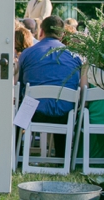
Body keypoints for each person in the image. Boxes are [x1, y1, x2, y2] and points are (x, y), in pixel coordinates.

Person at [17, 15, 83, 156]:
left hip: (33, 113)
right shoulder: (75, 57)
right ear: (62, 34)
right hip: (65, 115)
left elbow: (20, 85)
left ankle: (15, 153)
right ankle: (62, 156)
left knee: (19, 111)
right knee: (64, 104)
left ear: (41, 32)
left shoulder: (27, 54)